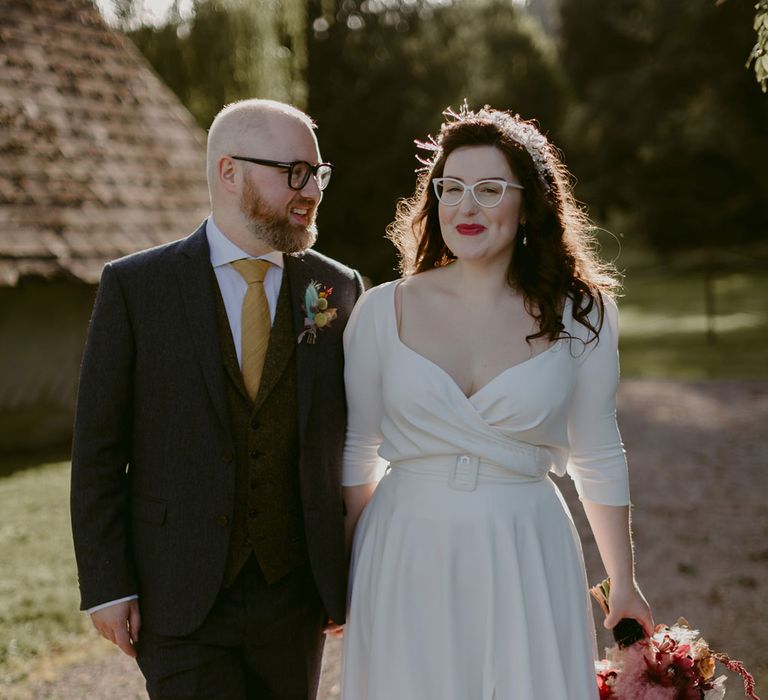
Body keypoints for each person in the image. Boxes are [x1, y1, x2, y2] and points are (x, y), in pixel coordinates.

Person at [339, 105, 653, 699]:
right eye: (451, 189)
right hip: (404, 548)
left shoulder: (581, 315)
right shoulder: (381, 311)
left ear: (527, 203)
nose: (465, 206)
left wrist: (624, 581)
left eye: (488, 189)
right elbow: (359, 452)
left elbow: (599, 451)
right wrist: (344, 573)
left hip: (524, 547)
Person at [70, 98, 363, 700]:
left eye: (318, 174)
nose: (310, 191)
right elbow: (99, 447)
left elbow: (356, 439)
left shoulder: (334, 287)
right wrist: (107, 583)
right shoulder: (136, 287)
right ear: (229, 171)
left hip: (294, 596)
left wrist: (349, 569)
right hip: (177, 594)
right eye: (294, 173)